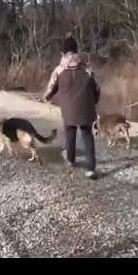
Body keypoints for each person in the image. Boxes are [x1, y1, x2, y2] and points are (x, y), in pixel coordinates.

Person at [42, 35, 100, 179]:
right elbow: (96, 88)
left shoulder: (59, 69)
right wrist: (95, 101)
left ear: (63, 53)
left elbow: (51, 88)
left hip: (68, 109)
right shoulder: (86, 67)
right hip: (86, 107)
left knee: (70, 132)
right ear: (76, 51)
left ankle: (71, 160)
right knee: (87, 135)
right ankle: (91, 169)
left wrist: (45, 98)